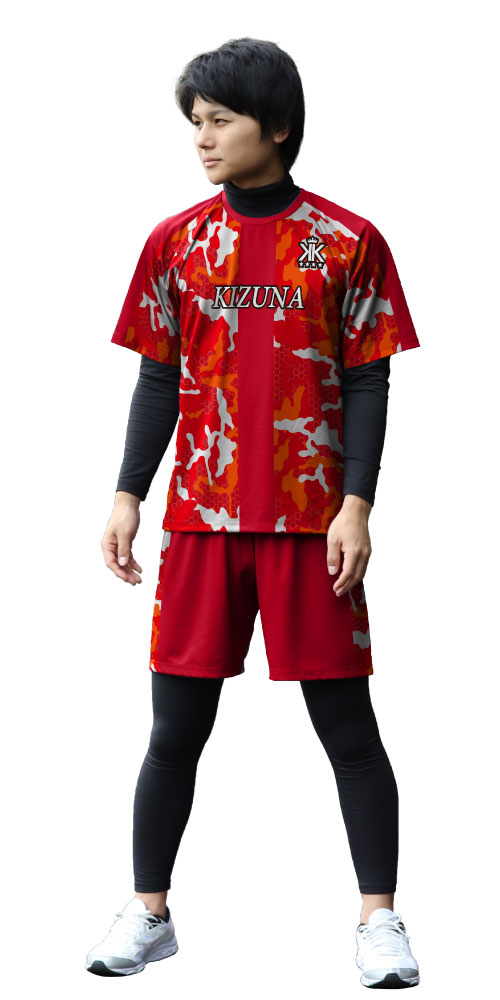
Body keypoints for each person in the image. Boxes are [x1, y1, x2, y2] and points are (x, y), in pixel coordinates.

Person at [85, 37, 421, 988]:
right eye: (195, 121)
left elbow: (368, 380)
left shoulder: (345, 241)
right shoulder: (176, 243)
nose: (202, 137)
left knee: (349, 732)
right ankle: (149, 911)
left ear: (276, 125)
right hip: (201, 522)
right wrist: (128, 493)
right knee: (173, 733)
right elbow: (160, 377)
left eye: (221, 119)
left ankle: (380, 921)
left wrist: (357, 503)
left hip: (313, 525)